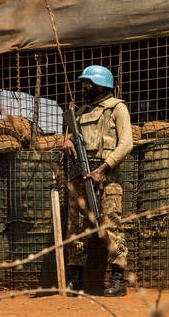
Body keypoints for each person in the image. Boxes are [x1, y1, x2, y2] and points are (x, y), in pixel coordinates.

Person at [63, 64, 133, 297]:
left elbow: (126, 144)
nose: (84, 86)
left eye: (88, 82)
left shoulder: (117, 108)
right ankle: (75, 279)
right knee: (76, 228)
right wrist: (69, 142)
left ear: (101, 85)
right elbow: (74, 138)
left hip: (107, 177)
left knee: (111, 225)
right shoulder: (81, 112)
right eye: (83, 82)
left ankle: (118, 279)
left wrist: (103, 168)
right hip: (82, 175)